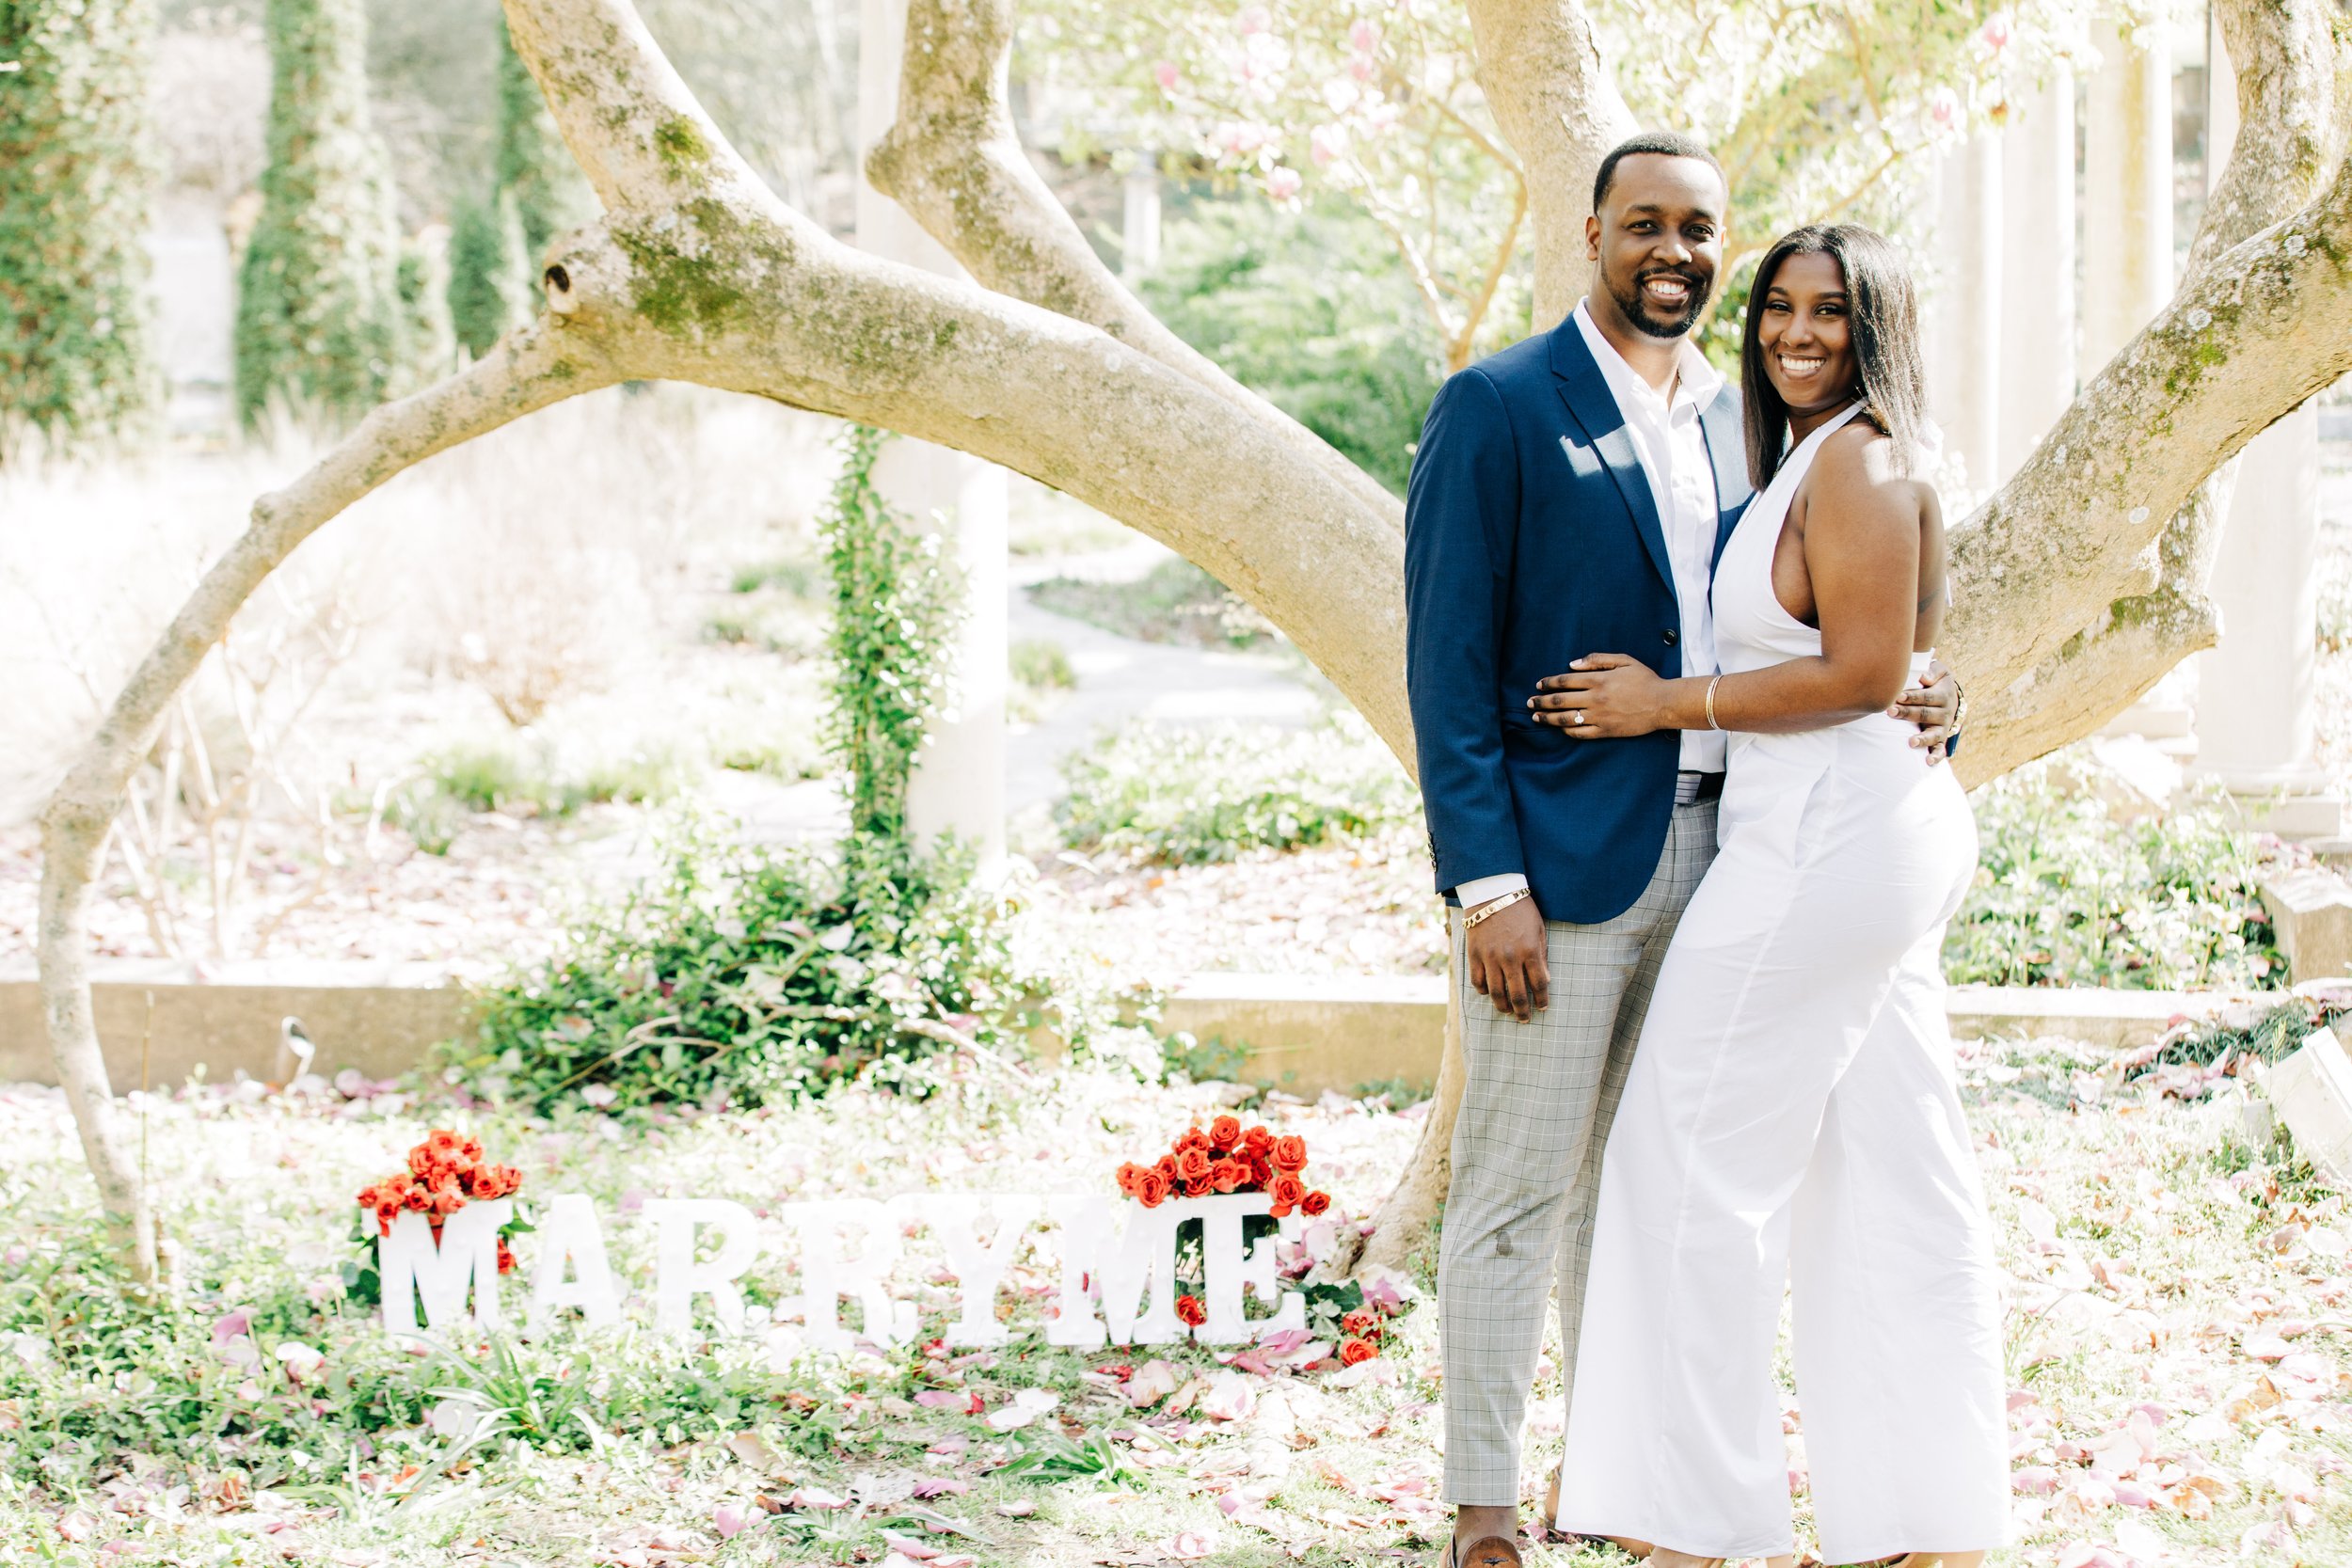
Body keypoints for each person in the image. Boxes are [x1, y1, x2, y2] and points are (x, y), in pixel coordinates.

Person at [1401, 134, 1962, 1568]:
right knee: (1522, 1184)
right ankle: (1483, 1507)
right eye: (1643, 224)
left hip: (1742, 856)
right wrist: (1488, 885)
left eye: (1701, 230)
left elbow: (1837, 607)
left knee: (1648, 1177)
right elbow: (1448, 670)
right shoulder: (1500, 406)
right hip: (1564, 871)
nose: (1676, 254)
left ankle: (1627, 1486)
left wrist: (1922, 679)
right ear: (1590, 232)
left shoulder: (1746, 418)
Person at [1539, 223, 2006, 1567]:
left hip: (1824, 841)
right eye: (1782, 309)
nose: (1799, 334)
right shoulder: (1842, 453)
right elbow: (1901, 655)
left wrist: (1661, 705)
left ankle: (1697, 1526)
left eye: (1833, 315)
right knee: (1889, 1169)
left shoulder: (1858, 460)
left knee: (1684, 1164)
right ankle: (1932, 1520)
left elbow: (1866, 675)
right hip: (1862, 829)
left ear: (1877, 331)